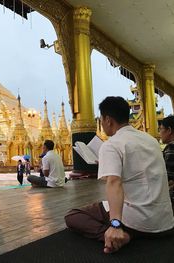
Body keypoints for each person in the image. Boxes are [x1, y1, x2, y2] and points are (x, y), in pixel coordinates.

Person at [65, 96, 174, 254]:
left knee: (73, 216)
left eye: (101, 119)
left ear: (108, 120)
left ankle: (119, 237)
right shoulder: (151, 140)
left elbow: (114, 183)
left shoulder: (111, 144)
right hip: (165, 222)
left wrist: (115, 224)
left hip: (139, 224)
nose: (101, 123)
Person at [159, 115, 174, 207]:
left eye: (161, 129)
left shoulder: (171, 148)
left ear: (169, 130)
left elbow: (167, 176)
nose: (159, 133)